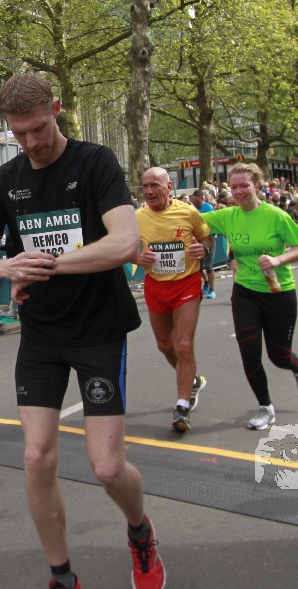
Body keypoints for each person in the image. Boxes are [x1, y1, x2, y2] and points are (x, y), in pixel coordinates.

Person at [0, 74, 164, 589]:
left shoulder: (95, 162)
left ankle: (140, 532)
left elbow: (124, 243)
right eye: (18, 133)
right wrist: (8, 267)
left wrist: (44, 265)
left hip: (99, 329)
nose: (30, 142)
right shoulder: (5, 180)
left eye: (38, 128)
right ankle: (62, 575)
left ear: (56, 109)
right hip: (42, 335)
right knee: (35, 458)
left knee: (107, 468)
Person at [203, 163, 298, 431]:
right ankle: (266, 407)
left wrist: (278, 259)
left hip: (279, 292)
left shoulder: (275, 216)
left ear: (257, 186)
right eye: (234, 186)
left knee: (279, 356)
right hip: (245, 292)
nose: (239, 191)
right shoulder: (227, 216)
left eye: (245, 185)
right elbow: (191, 221)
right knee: (249, 351)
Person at [134, 168, 211, 433]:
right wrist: (137, 257)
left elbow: (206, 238)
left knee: (184, 344)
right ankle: (192, 380)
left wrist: (204, 250)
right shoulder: (137, 217)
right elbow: (127, 248)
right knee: (165, 345)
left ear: (169, 187)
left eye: (154, 185)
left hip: (186, 283)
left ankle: (182, 406)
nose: (149, 191)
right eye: (145, 186)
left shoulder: (188, 212)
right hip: (156, 285)